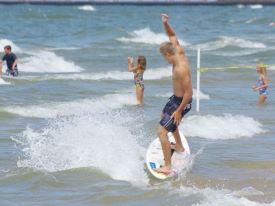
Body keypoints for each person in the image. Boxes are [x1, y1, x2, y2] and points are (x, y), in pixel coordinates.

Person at [155, 14, 193, 175]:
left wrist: (179, 111)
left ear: (169, 55)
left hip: (182, 101)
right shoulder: (178, 50)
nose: (165, 61)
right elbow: (172, 35)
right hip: (175, 99)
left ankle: (168, 167)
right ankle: (178, 146)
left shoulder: (180, 69)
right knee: (164, 115)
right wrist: (165, 22)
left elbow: (189, 93)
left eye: (165, 58)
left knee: (161, 132)